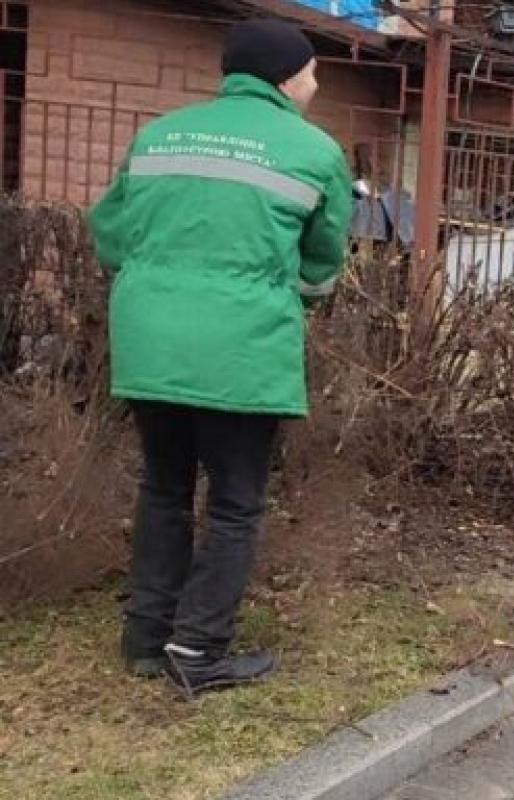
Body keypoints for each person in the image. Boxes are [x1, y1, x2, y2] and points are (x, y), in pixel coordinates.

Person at [89, 19, 353, 693]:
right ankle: (200, 651)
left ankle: (146, 639)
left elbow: (112, 235)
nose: (316, 84)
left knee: (163, 489)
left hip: (150, 341)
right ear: (287, 77)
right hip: (240, 347)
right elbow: (322, 265)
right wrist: (279, 297)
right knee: (236, 503)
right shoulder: (313, 149)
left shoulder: (159, 133)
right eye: (313, 72)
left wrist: (163, 283)